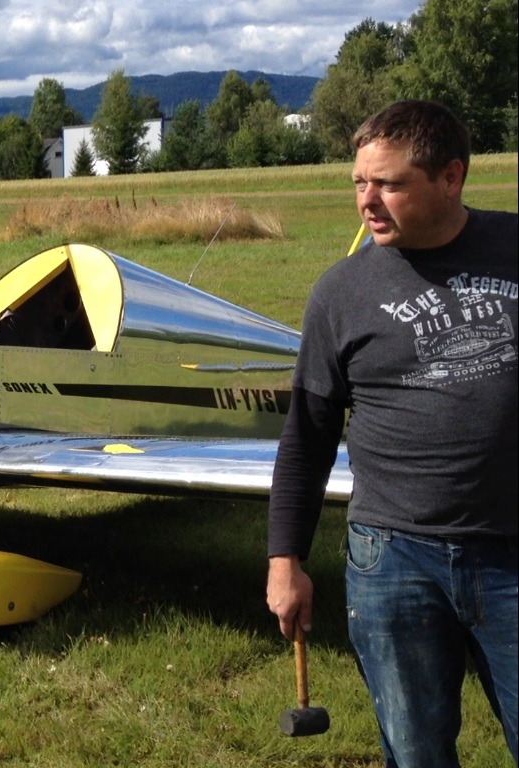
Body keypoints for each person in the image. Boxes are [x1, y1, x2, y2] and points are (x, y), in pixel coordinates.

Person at [266, 100, 516, 767]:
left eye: (390, 184)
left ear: (451, 178)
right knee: (414, 753)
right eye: (359, 182)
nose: (367, 202)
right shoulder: (340, 294)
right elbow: (307, 437)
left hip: (510, 549)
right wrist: (285, 560)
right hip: (393, 560)